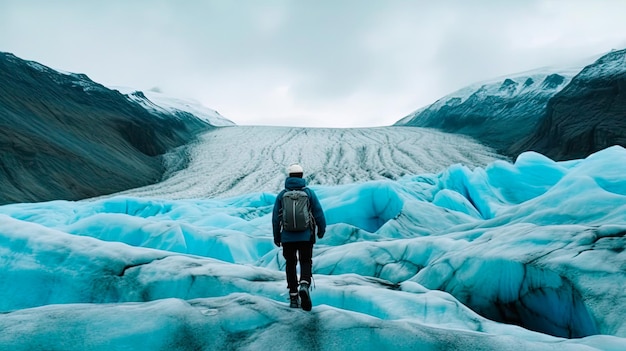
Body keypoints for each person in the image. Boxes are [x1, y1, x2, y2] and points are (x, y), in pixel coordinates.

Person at [272, 164, 326, 311]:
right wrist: (321, 230)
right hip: (305, 236)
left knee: (290, 264)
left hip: (287, 237)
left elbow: (276, 219)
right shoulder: (308, 193)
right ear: (301, 176)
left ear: (289, 176)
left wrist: (277, 237)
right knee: (305, 261)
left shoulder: (282, 195)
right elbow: (318, 213)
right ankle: (304, 284)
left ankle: (294, 296)